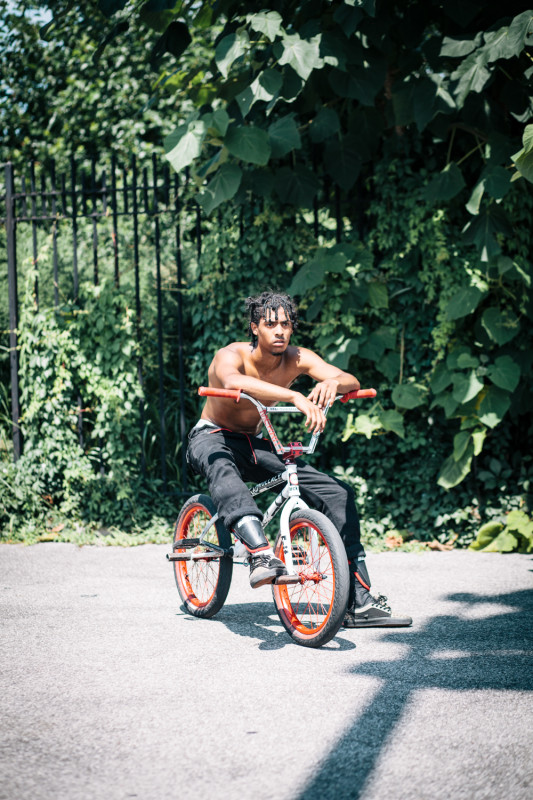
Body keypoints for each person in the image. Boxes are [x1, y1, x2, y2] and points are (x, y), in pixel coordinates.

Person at [186, 291, 411, 628]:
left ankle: (359, 601)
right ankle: (261, 553)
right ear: (254, 328)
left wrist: (333, 383)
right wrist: (294, 394)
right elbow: (234, 381)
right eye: (271, 324)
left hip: (254, 441)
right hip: (211, 436)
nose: (279, 331)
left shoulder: (297, 358)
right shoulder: (229, 355)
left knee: (337, 492)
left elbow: (351, 380)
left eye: (286, 325)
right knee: (225, 472)